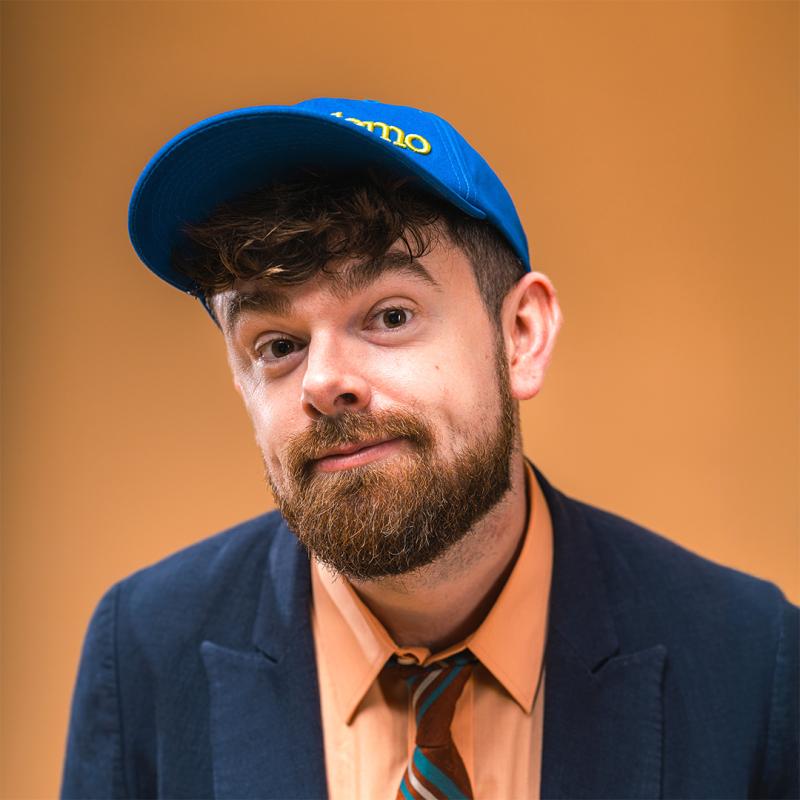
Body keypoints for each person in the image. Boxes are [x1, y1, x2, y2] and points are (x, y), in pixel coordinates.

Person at [61, 98, 798, 800]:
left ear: (521, 337)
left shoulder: (750, 657)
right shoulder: (144, 649)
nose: (322, 382)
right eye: (278, 345)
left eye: (388, 315)